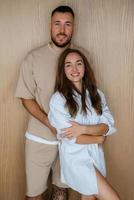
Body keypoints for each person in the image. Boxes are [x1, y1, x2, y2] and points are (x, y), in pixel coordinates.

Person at [15, 5, 80, 200]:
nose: (62, 30)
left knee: (61, 193)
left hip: (70, 141)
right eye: (57, 24)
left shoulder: (81, 58)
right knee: (35, 195)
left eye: (67, 24)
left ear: (73, 28)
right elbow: (26, 97)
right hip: (39, 139)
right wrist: (50, 124)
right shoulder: (33, 58)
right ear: (50, 26)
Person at [48, 48, 120, 200]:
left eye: (78, 63)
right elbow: (71, 137)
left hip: (95, 156)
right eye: (68, 65)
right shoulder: (58, 100)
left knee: (89, 197)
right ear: (63, 70)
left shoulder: (96, 94)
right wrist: (98, 138)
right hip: (76, 160)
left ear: (85, 67)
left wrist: (83, 129)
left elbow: (107, 125)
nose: (74, 69)